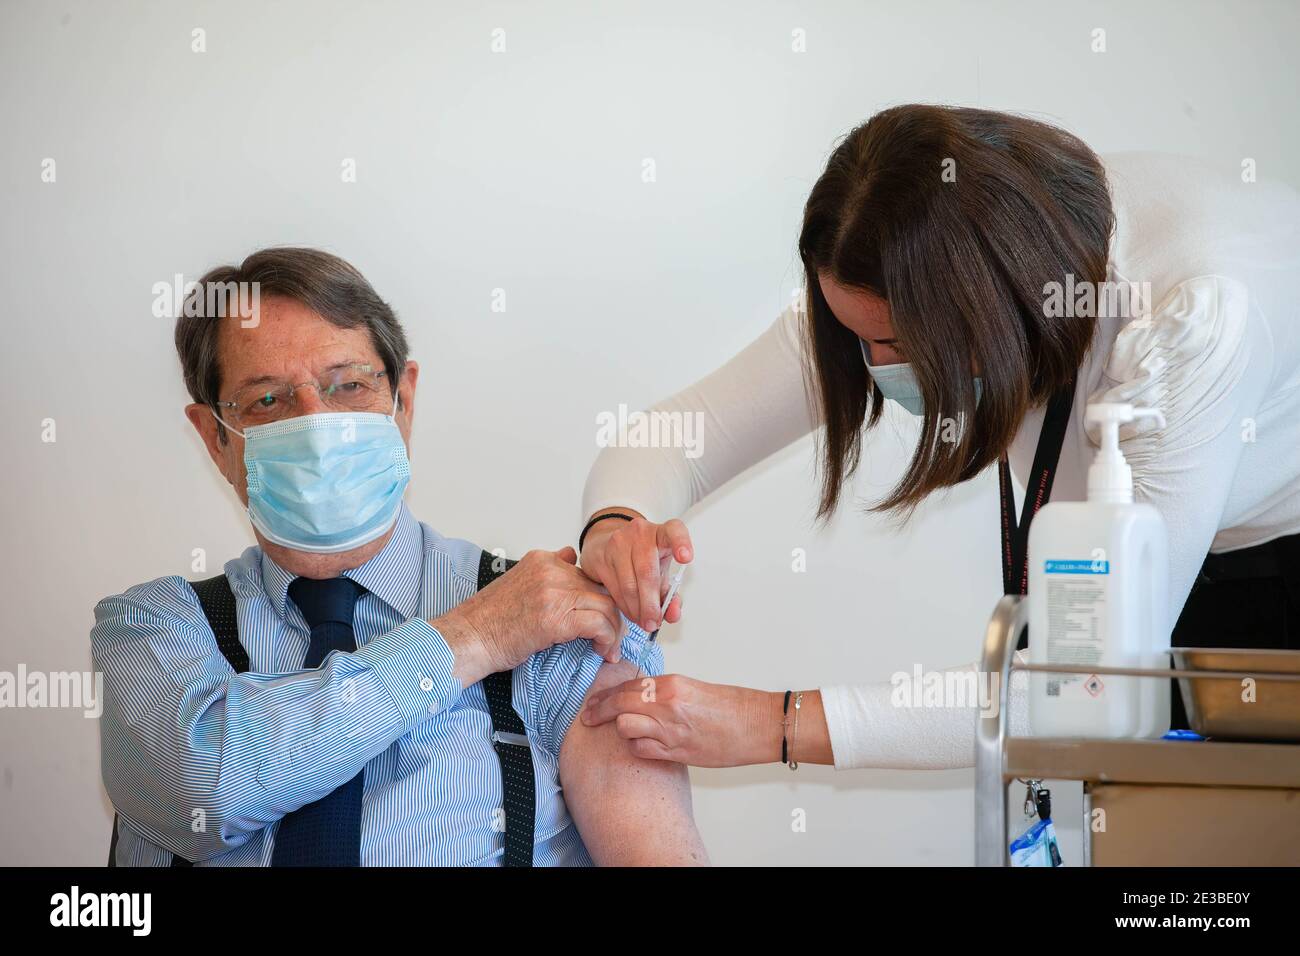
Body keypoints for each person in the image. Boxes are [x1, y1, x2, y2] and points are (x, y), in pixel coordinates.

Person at [576, 105, 1300, 771]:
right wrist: (617, 525)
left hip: (1276, 570)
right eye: (863, 340)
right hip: (1155, 567)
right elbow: (677, 438)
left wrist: (774, 725)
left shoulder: (1192, 321)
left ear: (985, 306)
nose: (877, 366)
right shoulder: (902, 266)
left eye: (894, 343)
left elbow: (1086, 687)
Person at [93, 247, 707, 865]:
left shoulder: (562, 626)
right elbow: (207, 786)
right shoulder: (153, 630)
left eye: (349, 385)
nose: (316, 424)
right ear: (215, 439)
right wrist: (473, 638)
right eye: (267, 403)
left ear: (403, 402)